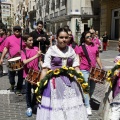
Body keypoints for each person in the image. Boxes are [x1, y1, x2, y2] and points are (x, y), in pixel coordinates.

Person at [36, 28, 88, 120]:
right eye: (61, 37)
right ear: (56, 38)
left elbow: (76, 67)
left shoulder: (71, 51)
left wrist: (82, 81)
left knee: (71, 107)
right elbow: (45, 69)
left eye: (66, 37)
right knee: (57, 107)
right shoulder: (51, 50)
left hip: (70, 82)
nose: (64, 40)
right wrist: (39, 87)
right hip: (54, 82)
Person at [76, 31, 102, 115]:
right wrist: (78, 70)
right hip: (84, 69)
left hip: (93, 70)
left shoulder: (95, 46)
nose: (90, 38)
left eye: (90, 36)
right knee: (86, 87)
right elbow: (79, 59)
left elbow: (97, 57)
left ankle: (86, 99)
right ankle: (87, 106)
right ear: (84, 38)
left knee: (92, 88)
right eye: (87, 37)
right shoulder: (81, 47)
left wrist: (101, 67)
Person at [0, 25, 25, 94]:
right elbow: (6, 48)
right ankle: (12, 84)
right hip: (11, 59)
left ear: (20, 31)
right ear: (13, 31)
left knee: (20, 75)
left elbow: (26, 48)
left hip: (21, 59)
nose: (17, 31)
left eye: (18, 30)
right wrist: (2, 58)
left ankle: (19, 88)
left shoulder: (23, 38)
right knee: (11, 75)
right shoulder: (9, 38)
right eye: (15, 30)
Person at [21, 34, 41, 117]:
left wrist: (44, 67)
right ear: (25, 41)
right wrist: (36, 56)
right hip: (27, 74)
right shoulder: (23, 51)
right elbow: (24, 62)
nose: (32, 42)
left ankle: (33, 105)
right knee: (28, 92)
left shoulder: (36, 48)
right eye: (29, 40)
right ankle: (29, 107)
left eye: (32, 40)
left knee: (36, 91)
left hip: (36, 73)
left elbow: (40, 61)